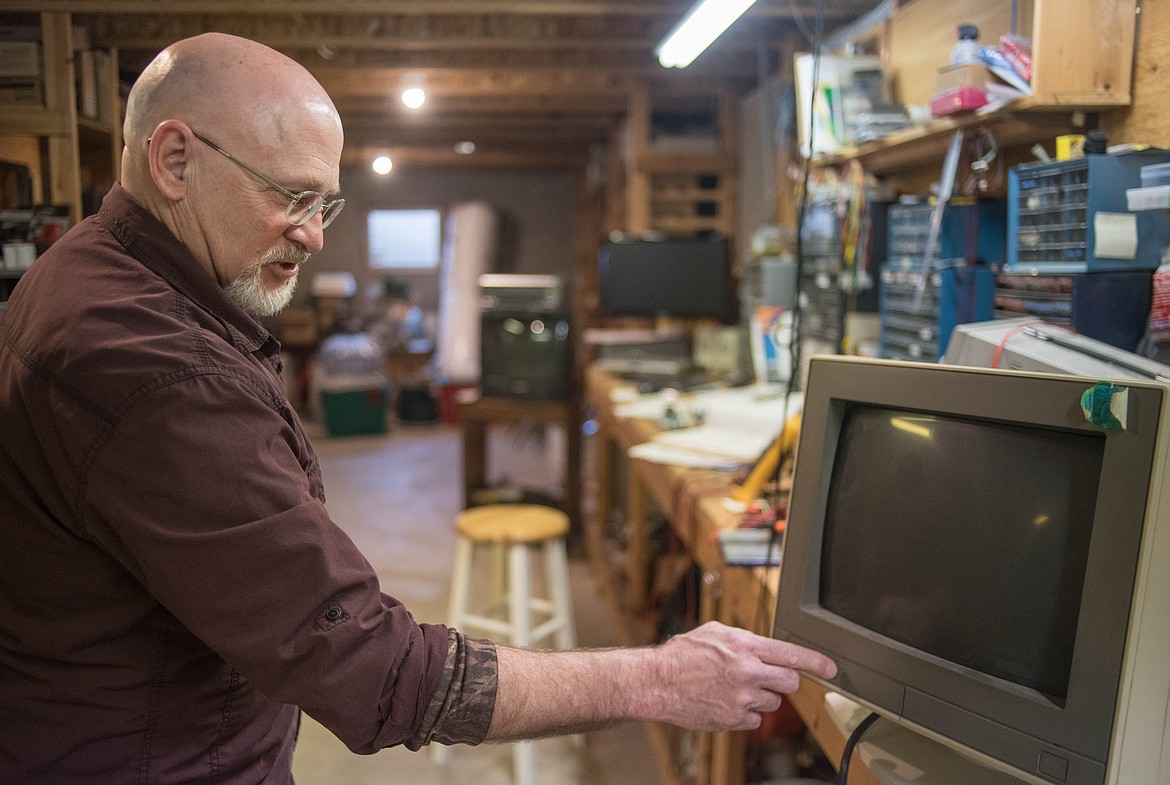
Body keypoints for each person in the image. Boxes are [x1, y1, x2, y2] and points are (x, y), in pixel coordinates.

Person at [0, 33, 836, 783]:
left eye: (325, 204)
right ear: (175, 160)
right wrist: (659, 677)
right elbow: (375, 669)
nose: (314, 234)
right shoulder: (156, 371)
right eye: (290, 197)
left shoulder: (87, 269)